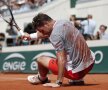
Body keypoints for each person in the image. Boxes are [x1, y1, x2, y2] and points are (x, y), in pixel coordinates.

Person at [22, 13, 95, 88]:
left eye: (42, 30)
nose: (42, 33)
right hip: (90, 63)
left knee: (40, 59)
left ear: (46, 24)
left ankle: (42, 78)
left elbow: (62, 59)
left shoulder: (55, 35)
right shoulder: (64, 22)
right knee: (70, 53)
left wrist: (58, 82)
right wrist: (31, 36)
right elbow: (46, 34)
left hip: (76, 72)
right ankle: (78, 79)